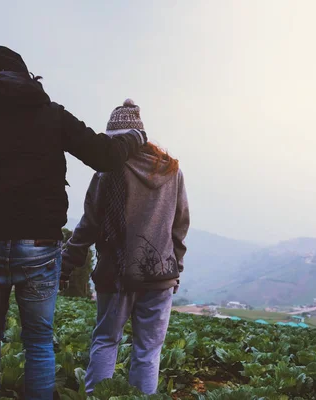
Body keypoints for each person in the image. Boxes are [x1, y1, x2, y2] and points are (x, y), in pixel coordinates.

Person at [0, 46, 148, 400]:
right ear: (28, 78)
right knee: (39, 339)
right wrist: (134, 138)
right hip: (40, 245)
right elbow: (103, 156)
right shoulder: (52, 115)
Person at [62, 99, 190, 395]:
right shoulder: (172, 172)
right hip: (160, 274)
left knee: (107, 340)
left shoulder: (107, 173)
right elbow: (179, 226)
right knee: (148, 351)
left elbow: (89, 225)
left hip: (116, 273)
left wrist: (67, 263)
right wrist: (176, 267)